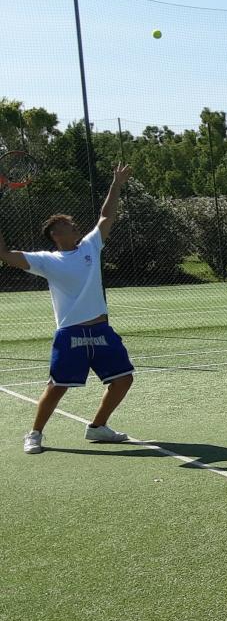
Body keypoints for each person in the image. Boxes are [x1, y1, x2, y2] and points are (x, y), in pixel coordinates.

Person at [0, 164, 136, 454]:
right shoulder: (46, 260)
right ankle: (34, 434)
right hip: (70, 333)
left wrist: (116, 183)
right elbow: (5, 255)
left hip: (101, 330)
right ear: (55, 234)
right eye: (66, 223)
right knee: (57, 386)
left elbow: (106, 216)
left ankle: (97, 427)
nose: (74, 224)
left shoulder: (90, 246)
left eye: (73, 222)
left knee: (124, 379)